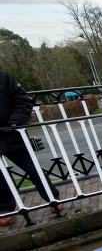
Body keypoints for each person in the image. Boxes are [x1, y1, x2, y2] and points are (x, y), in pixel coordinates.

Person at [0, 70, 61, 226]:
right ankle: (6, 208)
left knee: (33, 169)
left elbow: (23, 100)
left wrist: (14, 123)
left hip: (11, 134)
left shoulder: (4, 77)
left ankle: (52, 198)